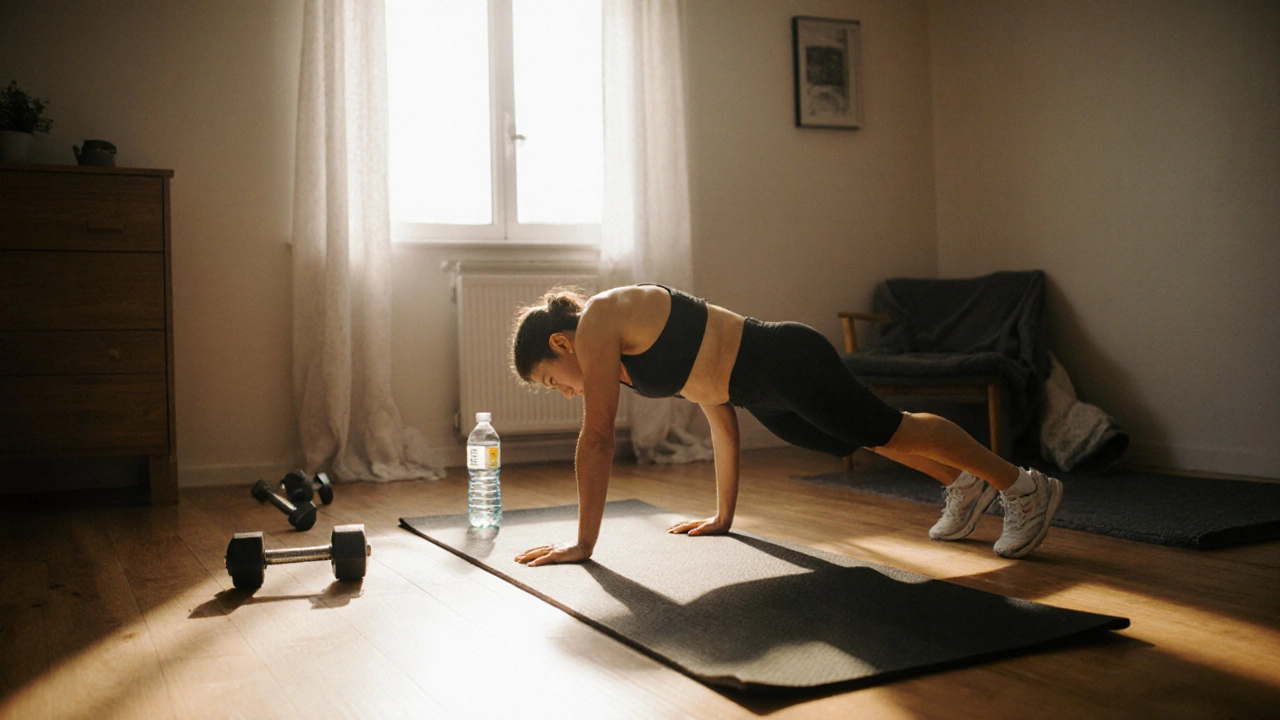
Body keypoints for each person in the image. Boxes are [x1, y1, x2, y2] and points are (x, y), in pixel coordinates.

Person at [509, 284, 1063, 567]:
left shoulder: (603, 318)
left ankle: (1023, 486)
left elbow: (598, 438)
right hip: (759, 394)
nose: (565, 392)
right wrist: (724, 516)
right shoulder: (624, 359)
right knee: (862, 437)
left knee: (892, 428)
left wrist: (583, 543)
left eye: (552, 380)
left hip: (785, 361)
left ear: (561, 342)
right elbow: (717, 411)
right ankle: (962, 484)